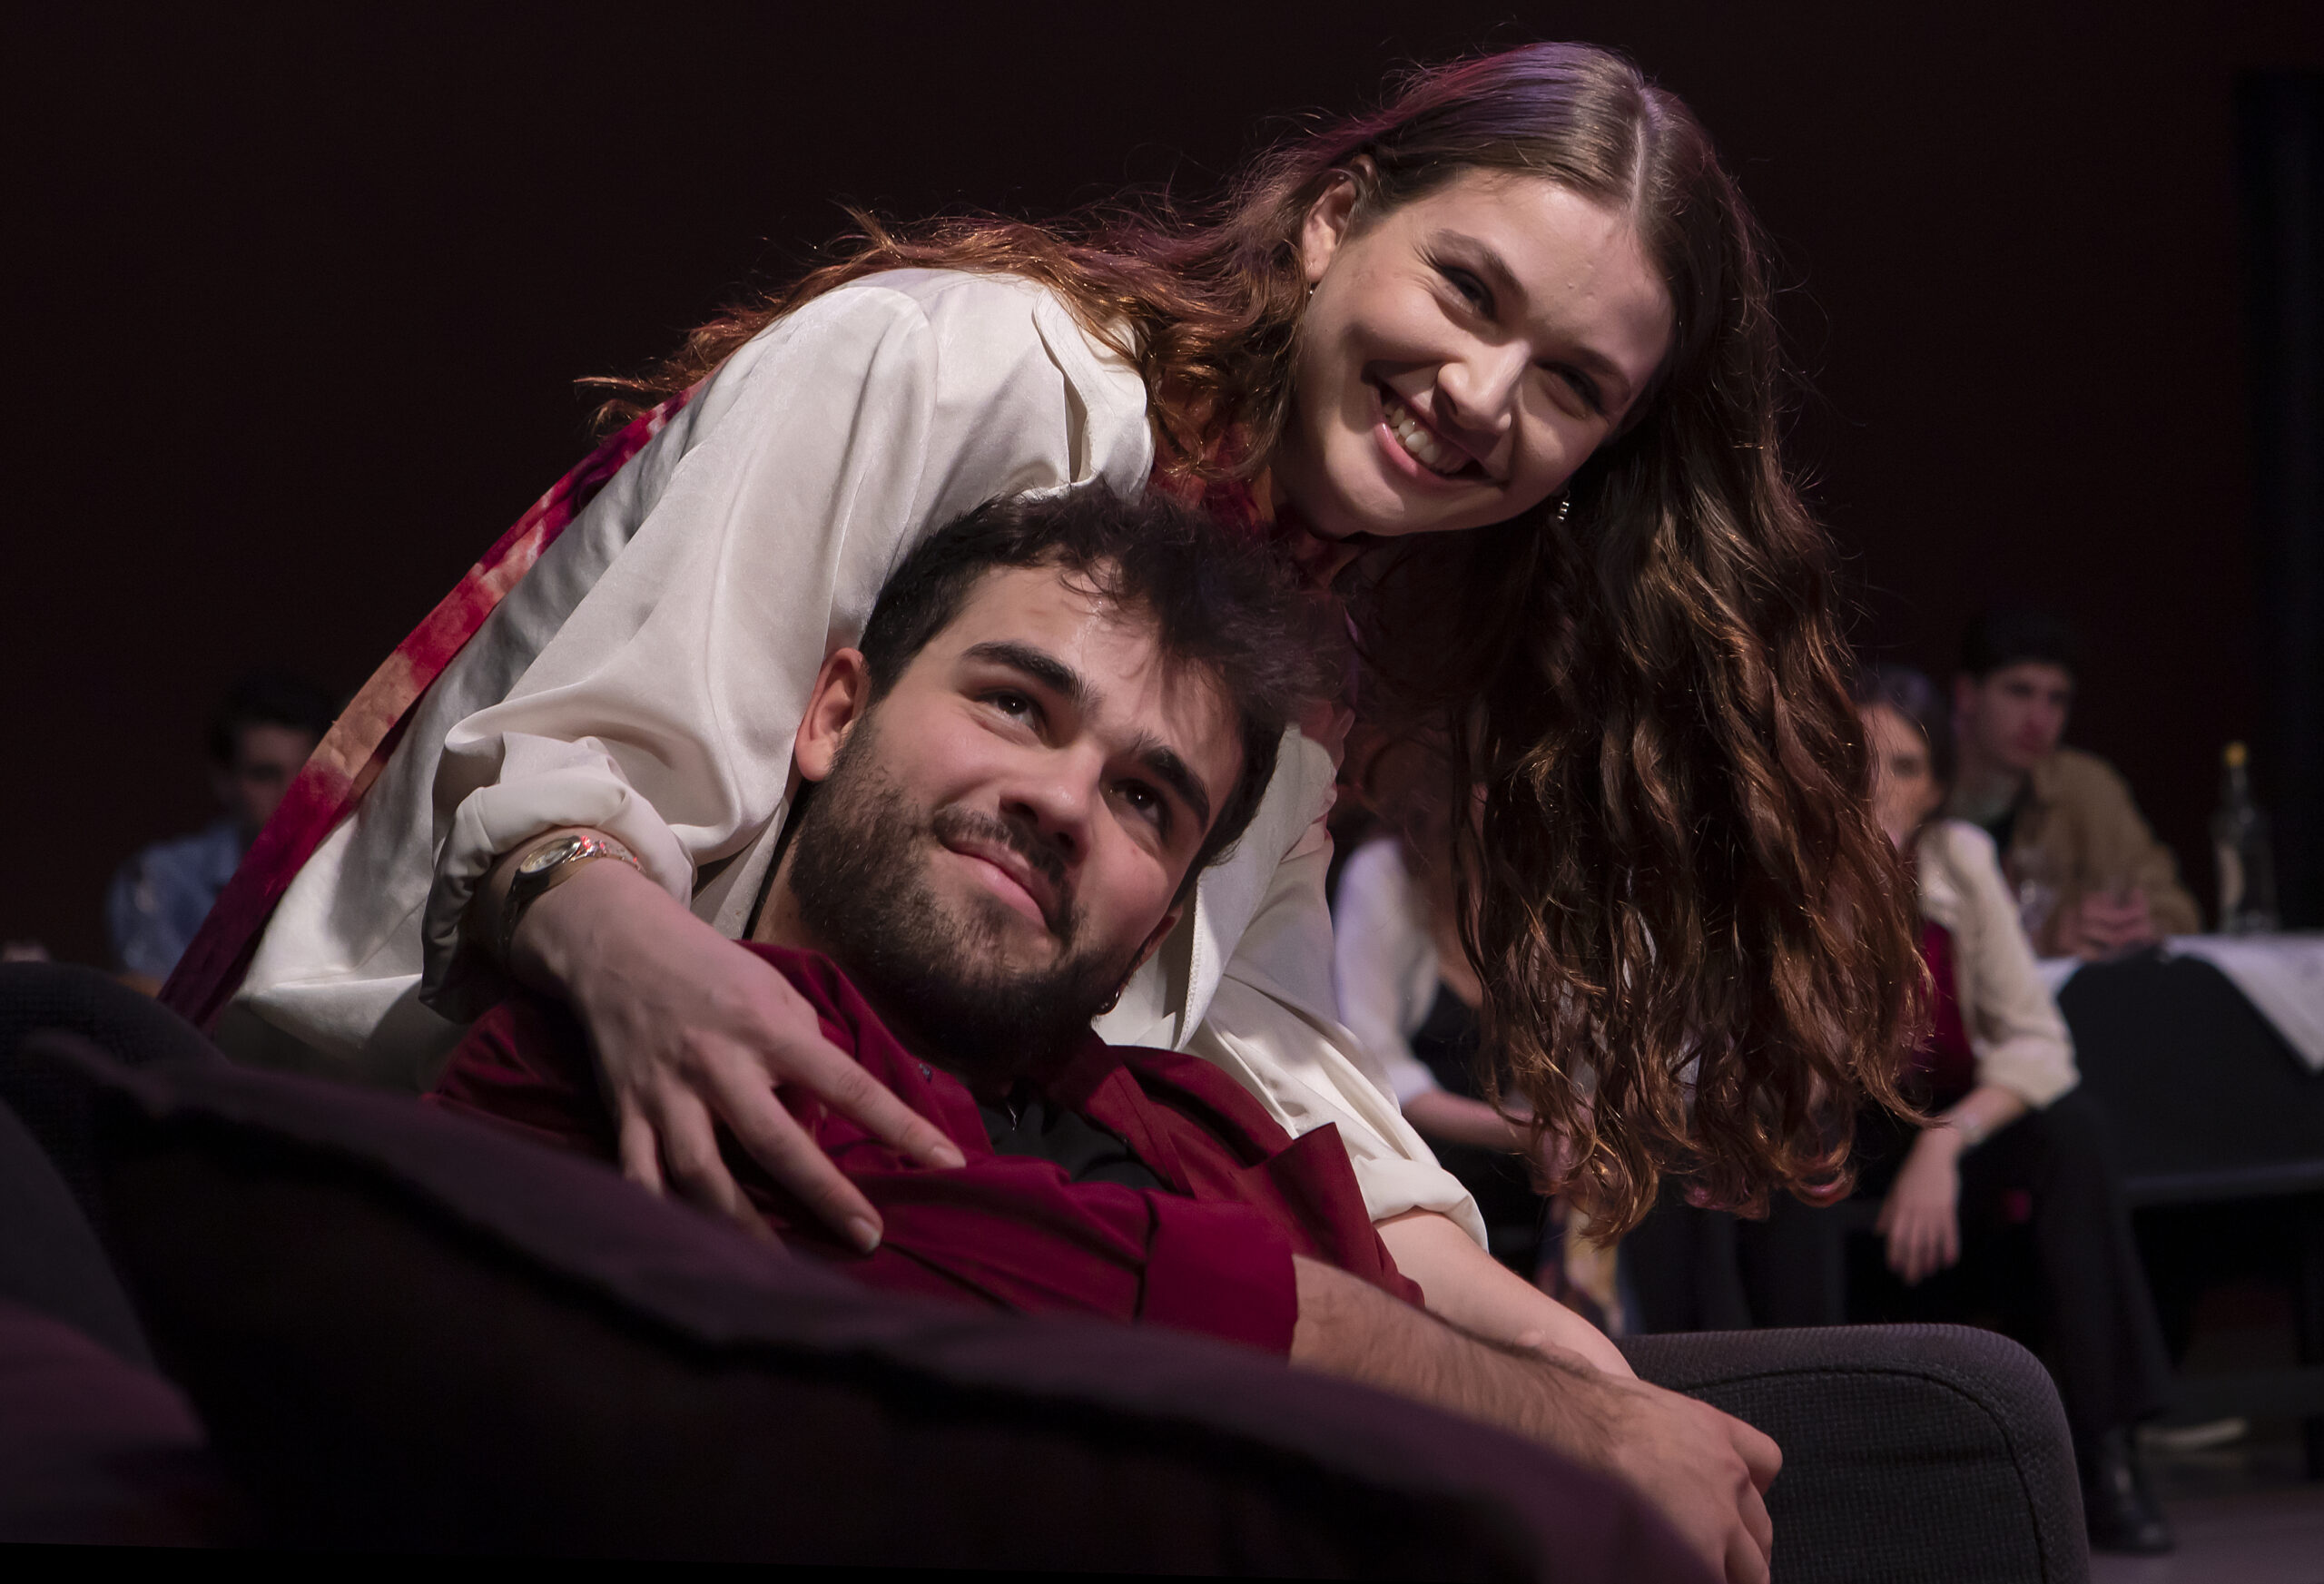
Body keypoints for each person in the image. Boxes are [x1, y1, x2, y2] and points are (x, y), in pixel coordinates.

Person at [198, 42, 1918, 1360]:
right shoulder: (965, 368)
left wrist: (1574, 1368)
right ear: (1336, 219)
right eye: (1469, 292)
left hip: (816, 1253)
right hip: (459, 1156)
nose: (1482, 394)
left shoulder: (1288, 693)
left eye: (1572, 387)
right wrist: (613, 931)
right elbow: (578, 765)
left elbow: (1268, 1077)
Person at [431, 490, 1780, 1581]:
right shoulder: (604, 1043)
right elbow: (1062, 1292)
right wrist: (1577, 1426)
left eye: (1146, 798)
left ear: (1160, 926)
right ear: (837, 712)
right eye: (1018, 705)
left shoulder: (1205, 1126)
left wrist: (1587, 1398)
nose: (1066, 802)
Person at [1632, 666, 2175, 1554]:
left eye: (1907, 766)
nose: (1879, 786)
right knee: (1795, 1142)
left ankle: (2106, 1450)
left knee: (2073, 1131)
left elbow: (2038, 1043)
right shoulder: (1777, 863)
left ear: (1935, 787)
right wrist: (1844, 901)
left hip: (1936, 1121)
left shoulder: (1958, 859)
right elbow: (1773, 1065)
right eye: (1858, 759)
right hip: (1823, 1112)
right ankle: (1807, 1455)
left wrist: (1944, 1146)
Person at [1331, 747, 1620, 1327]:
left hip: (1530, 1183)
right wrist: (1520, 1129)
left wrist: (1575, 1120)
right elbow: (1373, 1069)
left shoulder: (1543, 885)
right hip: (1421, 1177)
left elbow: (1583, 1049)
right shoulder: (1384, 876)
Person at [1947, 606, 2201, 958]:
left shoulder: (2083, 785)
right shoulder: (1915, 779)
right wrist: (2041, 942)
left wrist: (2140, 925)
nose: (2039, 720)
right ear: (1967, 695)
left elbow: (2177, 908)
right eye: (2019, 691)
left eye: (2056, 699)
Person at [106, 670, 334, 993]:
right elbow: (163, 1011)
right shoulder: (160, 878)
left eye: (308, 772)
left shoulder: (354, 870)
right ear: (224, 781)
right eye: (265, 775)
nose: (291, 794)